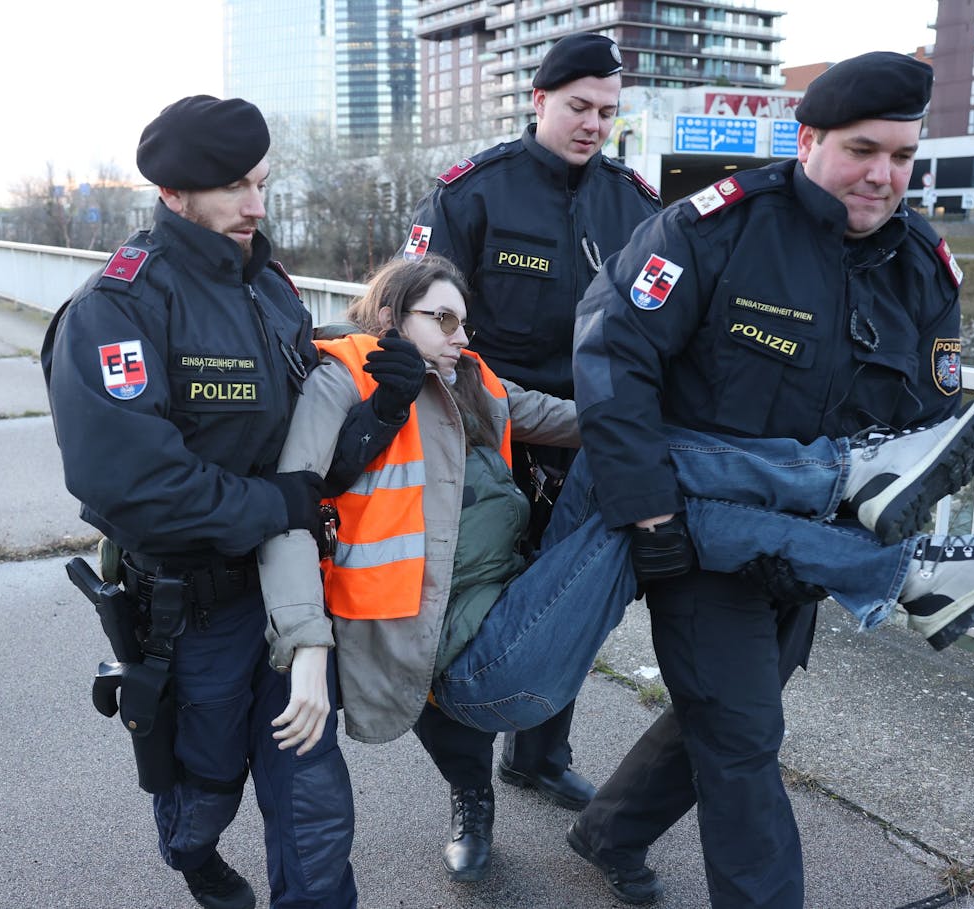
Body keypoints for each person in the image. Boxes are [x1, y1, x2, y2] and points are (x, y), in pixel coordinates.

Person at [256, 258, 974, 887]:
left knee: (637, 455)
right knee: (634, 498)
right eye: (442, 320)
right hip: (473, 665)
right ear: (392, 314)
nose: (460, 334)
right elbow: (290, 516)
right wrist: (306, 651)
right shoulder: (346, 377)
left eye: (465, 320)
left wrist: (663, 396)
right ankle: (860, 499)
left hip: (519, 605)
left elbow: (595, 421)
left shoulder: (478, 387)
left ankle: (895, 555)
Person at [564, 52, 974, 908]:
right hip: (695, 533)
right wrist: (650, 520)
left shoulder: (923, 265)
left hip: (817, 542)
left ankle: (609, 829)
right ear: (808, 140)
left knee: (723, 712)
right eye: (863, 150)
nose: (882, 176)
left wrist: (844, 544)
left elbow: (926, 432)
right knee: (743, 733)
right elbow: (611, 364)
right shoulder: (712, 229)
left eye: (902, 157)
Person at [40, 95, 416, 909]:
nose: (256, 206)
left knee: (313, 795)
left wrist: (377, 412)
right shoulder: (118, 309)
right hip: (195, 614)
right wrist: (276, 505)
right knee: (205, 785)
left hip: (292, 598)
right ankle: (191, 852)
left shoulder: (273, 291)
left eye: (262, 182)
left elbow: (309, 466)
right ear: (173, 194)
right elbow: (133, 489)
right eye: (233, 188)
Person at [398, 31, 661, 876]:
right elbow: (411, 316)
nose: (593, 125)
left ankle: (540, 755)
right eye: (578, 107)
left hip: (588, 448)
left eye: (608, 113)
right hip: (487, 449)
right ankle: (471, 797)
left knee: (573, 608)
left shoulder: (633, 203)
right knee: (457, 631)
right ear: (538, 101)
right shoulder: (472, 194)